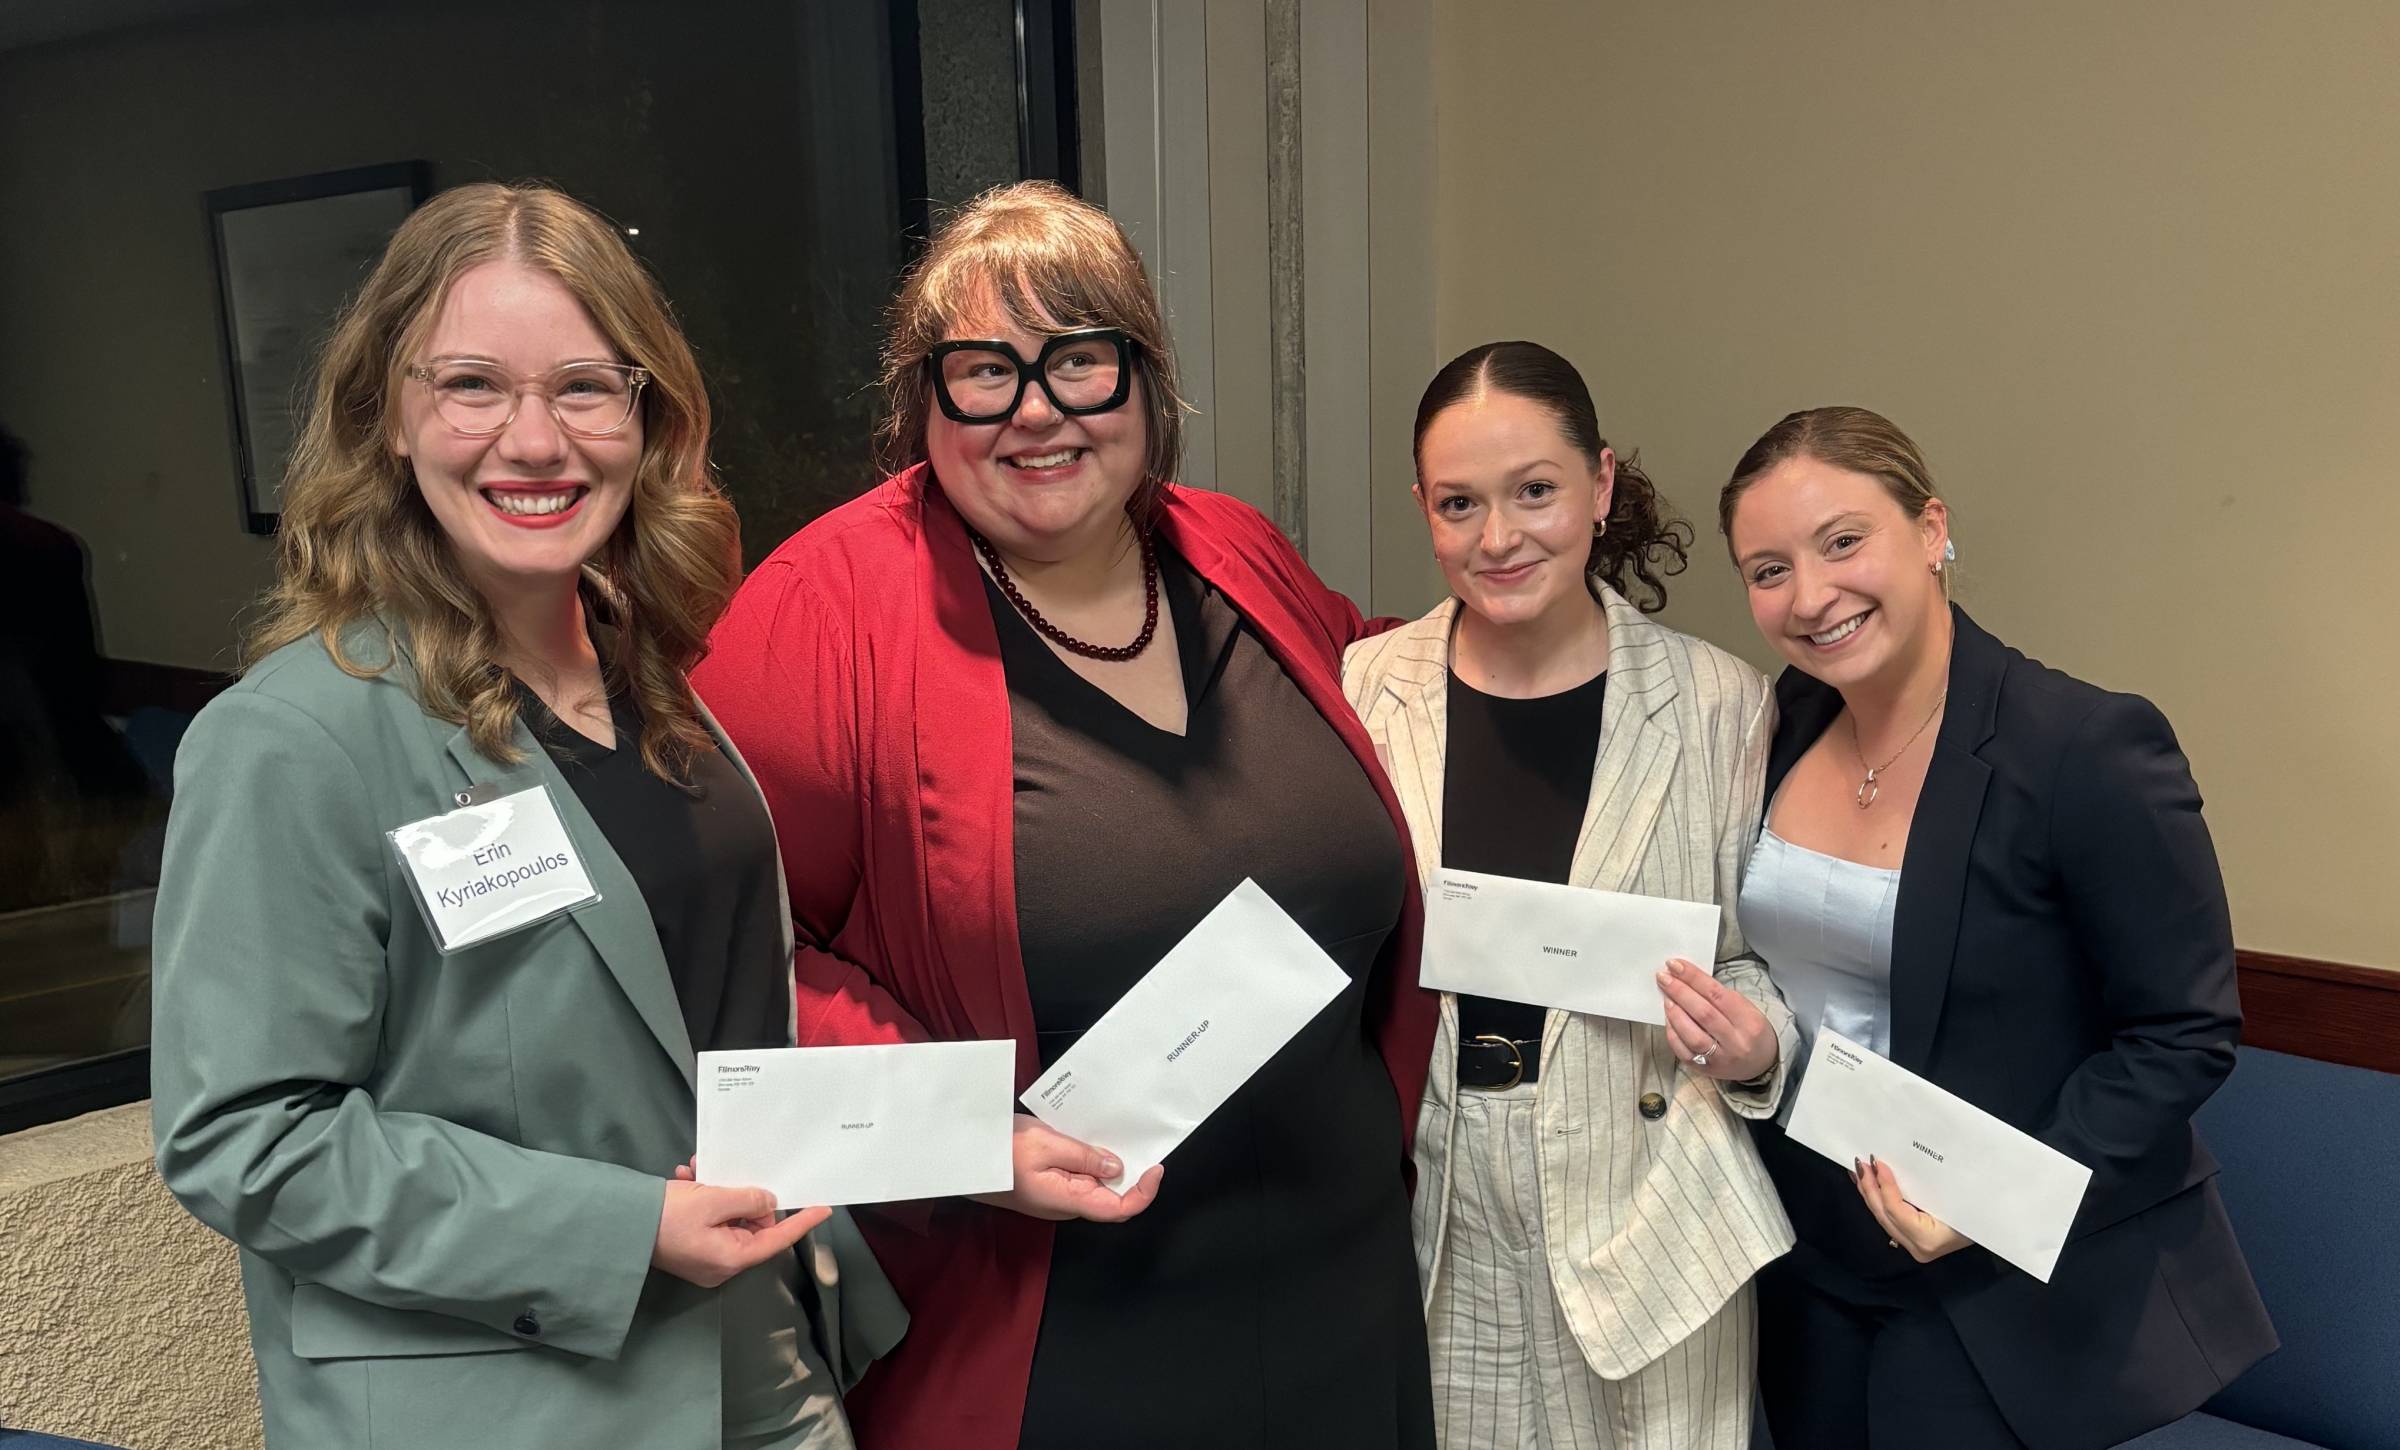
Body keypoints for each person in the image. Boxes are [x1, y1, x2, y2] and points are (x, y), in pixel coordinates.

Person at [148, 182, 903, 1450]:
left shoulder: (655, 684)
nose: (536, 439)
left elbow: (703, 1033)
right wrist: (622, 1228)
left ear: (645, 418)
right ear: (387, 417)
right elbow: (245, 1140)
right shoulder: (296, 738)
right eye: (473, 385)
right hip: (513, 1405)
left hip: (759, 1358)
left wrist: (978, 1146)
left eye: (586, 387)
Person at [693, 179, 1440, 1450]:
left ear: (1146, 383)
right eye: (984, 371)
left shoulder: (1234, 551)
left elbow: (1411, 696)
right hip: (1055, 1330)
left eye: (1080, 363)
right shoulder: (824, 613)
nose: (1037, 411)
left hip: (1345, 1291)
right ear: (923, 401)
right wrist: (966, 1130)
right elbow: (724, 958)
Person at [1720, 406, 2275, 1448]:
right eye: (1767, 568)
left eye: (1844, 541)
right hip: (1809, 1250)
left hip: (1993, 1283)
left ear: (1931, 530)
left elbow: (2182, 1031)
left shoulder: (2084, 747)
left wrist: (1989, 1198)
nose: (1811, 595)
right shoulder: (1778, 721)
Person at [1343, 341, 1796, 1448]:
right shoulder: (1362, 690)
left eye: (1535, 491)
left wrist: (1757, 1045)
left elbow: (1763, 962)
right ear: (1423, 509)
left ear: (1599, 485)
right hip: (1437, 1212)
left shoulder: (1716, 703)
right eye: (1460, 503)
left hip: (1651, 1215)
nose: (1498, 537)